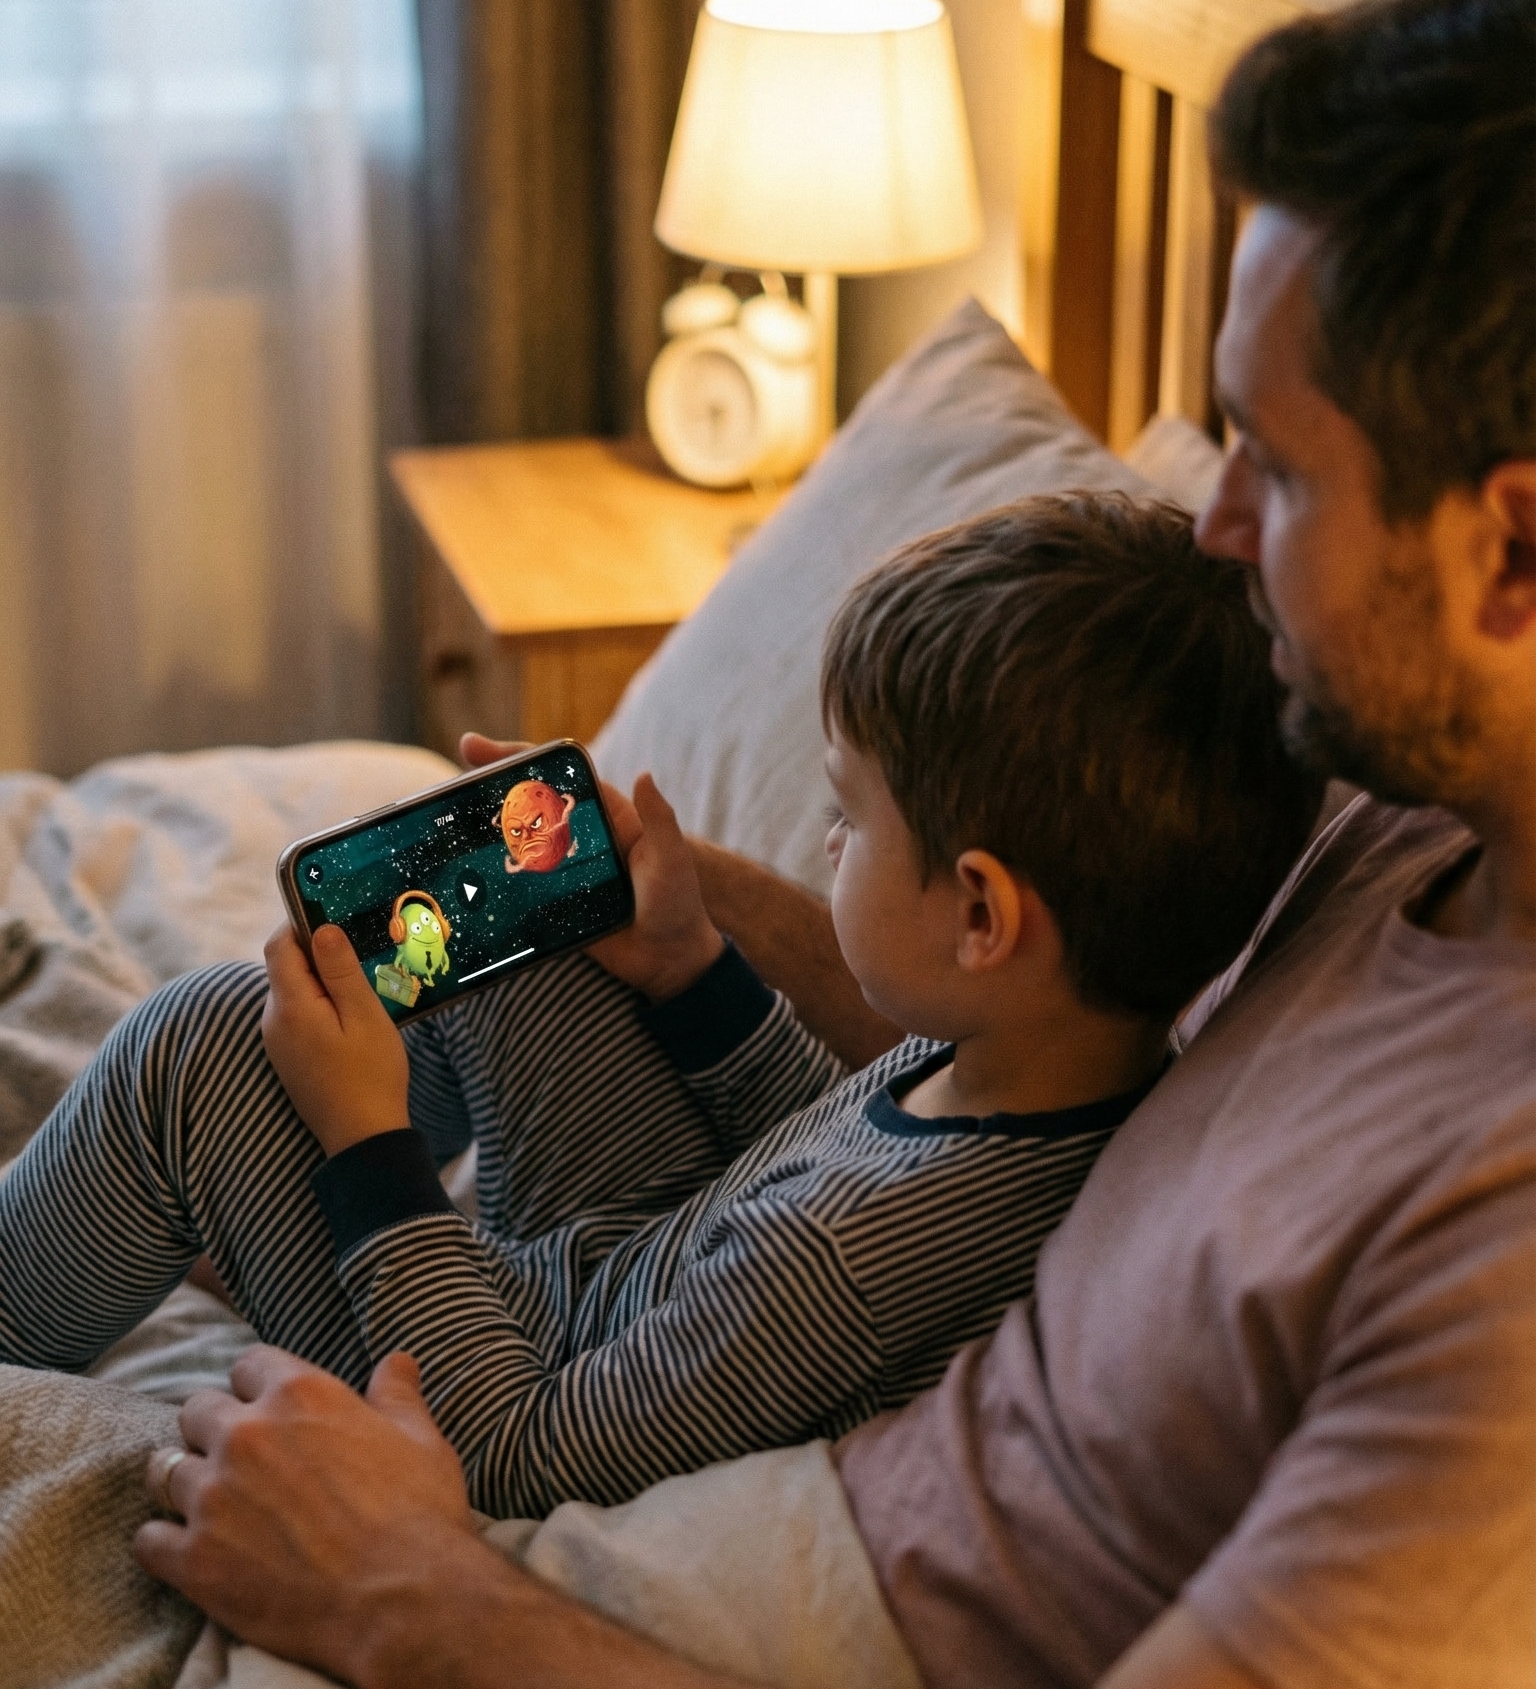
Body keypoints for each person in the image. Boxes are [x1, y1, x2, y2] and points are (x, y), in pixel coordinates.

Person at [68, 0, 1536, 1689]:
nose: (1222, 521)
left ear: (1514, 552)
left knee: (209, 1083)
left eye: (1274, 456)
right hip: (696, 1546)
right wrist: (701, 911)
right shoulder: (1385, 802)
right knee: (330, 999)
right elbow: (1011, 1032)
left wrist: (405, 1581)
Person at [0, 500, 1317, 1518]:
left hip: (500, 1376)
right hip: (629, 1251)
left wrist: (370, 1149)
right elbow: (815, 1141)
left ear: (982, 915)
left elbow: (510, 1459)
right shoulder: (1046, 1063)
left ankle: (106, 1261)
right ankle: (287, 1188)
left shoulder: (851, 1266)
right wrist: (691, 967)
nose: (818, 838)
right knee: (532, 923)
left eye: (846, 818)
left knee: (196, 1047)